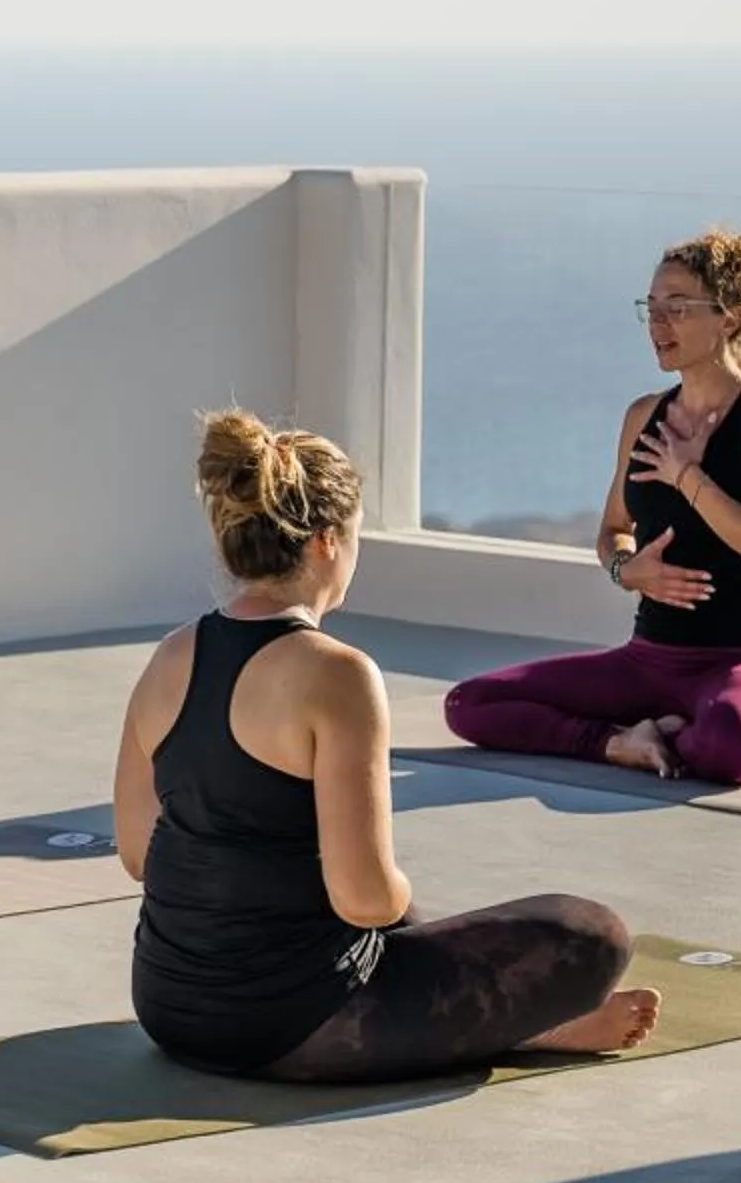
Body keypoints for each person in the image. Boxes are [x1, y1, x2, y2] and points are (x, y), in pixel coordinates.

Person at [114, 413, 662, 1082]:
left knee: (411, 931)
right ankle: (532, 1023)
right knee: (591, 932)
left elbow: (139, 853)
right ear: (324, 544)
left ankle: (516, 1018)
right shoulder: (336, 674)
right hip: (293, 1027)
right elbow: (366, 901)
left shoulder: (171, 655)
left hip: (169, 1007)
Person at [442, 230, 741, 785]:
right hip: (648, 658)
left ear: (729, 317)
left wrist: (686, 475)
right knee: (470, 704)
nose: (658, 325)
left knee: (736, 746)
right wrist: (626, 570)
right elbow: (613, 529)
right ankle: (623, 744)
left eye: (677, 309)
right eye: (650, 309)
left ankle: (683, 728)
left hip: (739, 658)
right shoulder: (643, 416)